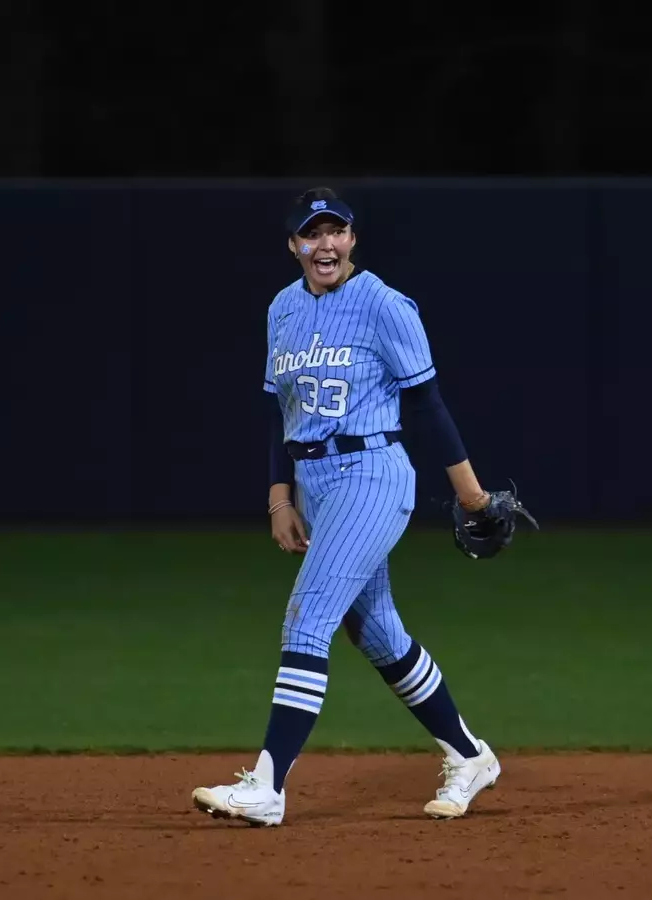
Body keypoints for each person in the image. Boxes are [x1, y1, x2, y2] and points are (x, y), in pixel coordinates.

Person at [190, 186, 505, 827]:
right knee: (378, 632)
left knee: (307, 619)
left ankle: (268, 787)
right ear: (294, 245)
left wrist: (471, 494)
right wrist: (280, 495)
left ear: (352, 240)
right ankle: (469, 754)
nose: (325, 244)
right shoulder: (281, 308)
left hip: (373, 473)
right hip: (315, 480)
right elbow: (281, 411)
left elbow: (427, 404)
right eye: (313, 234)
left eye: (336, 232)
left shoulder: (385, 305)